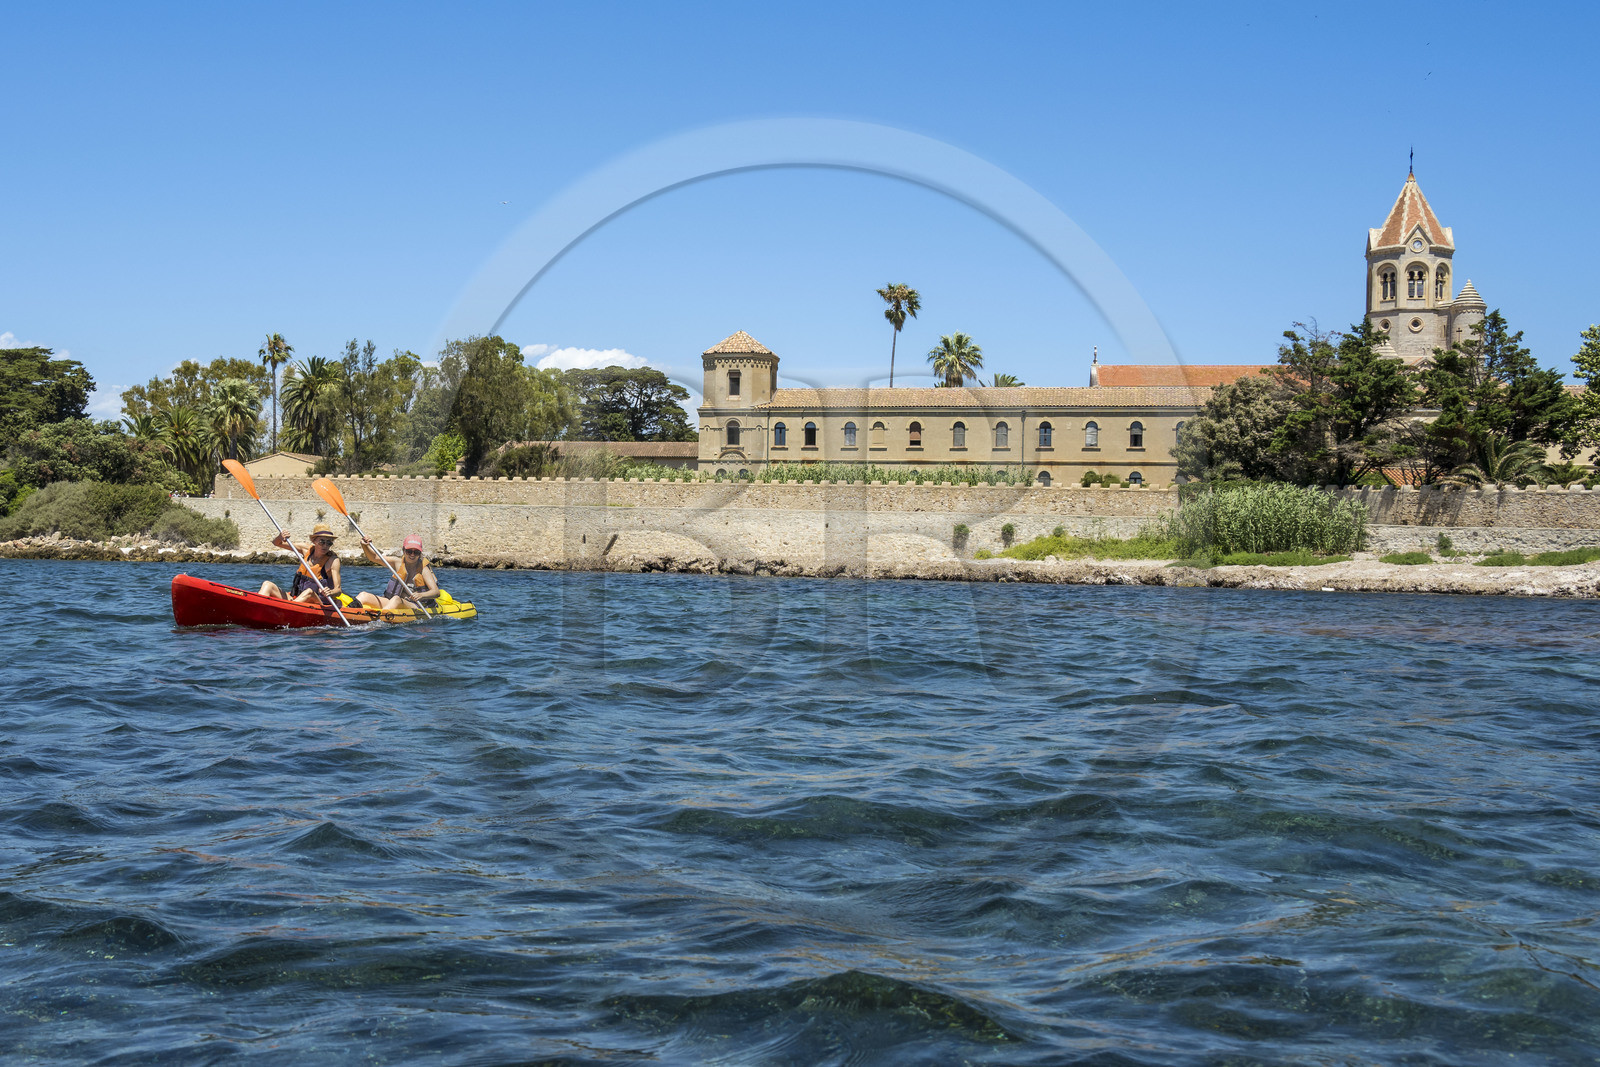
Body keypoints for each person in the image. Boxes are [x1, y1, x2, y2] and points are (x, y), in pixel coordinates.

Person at [258, 523, 352, 606]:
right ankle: (257, 608)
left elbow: (338, 590)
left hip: (319, 603)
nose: (325, 546)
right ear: (314, 541)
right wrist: (280, 537)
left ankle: (287, 610)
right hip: (297, 598)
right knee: (267, 584)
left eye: (329, 543)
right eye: (322, 542)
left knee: (309, 592)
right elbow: (277, 543)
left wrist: (330, 592)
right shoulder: (306, 549)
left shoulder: (333, 560)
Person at [355, 534, 441, 611]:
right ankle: (349, 611)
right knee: (363, 595)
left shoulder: (423, 569)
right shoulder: (397, 563)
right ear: (403, 550)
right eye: (409, 551)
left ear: (420, 553)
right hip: (393, 602)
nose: (412, 555)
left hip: (417, 606)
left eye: (416, 552)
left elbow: (436, 592)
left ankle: (380, 618)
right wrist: (365, 545)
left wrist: (422, 595)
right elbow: (374, 557)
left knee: (396, 599)